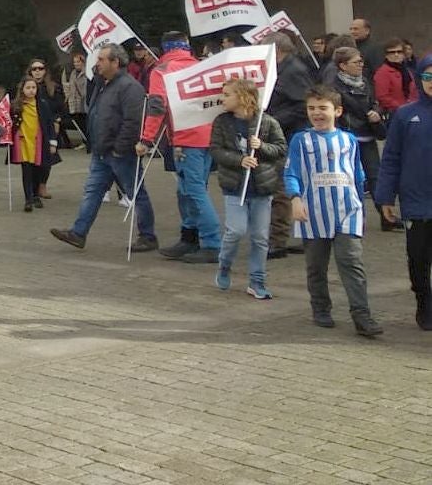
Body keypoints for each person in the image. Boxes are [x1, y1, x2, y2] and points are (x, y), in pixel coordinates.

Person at [283, 86, 382, 337]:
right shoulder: (300, 140)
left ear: (337, 111)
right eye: (312, 108)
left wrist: (361, 205)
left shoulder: (348, 140)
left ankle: (362, 315)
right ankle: (320, 308)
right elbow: (292, 172)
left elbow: (357, 174)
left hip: (347, 209)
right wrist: (294, 198)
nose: (317, 113)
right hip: (313, 212)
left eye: (322, 108)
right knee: (316, 265)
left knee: (352, 263)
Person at [51, 44, 159, 253]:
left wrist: (120, 148)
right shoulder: (104, 84)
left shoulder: (129, 87)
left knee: (136, 193)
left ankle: (148, 235)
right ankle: (78, 233)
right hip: (102, 151)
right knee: (92, 192)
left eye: (101, 59)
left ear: (115, 62)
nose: (96, 63)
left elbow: (132, 121)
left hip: (120, 153)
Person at [140, 32, 221, 264]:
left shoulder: (162, 70)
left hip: (186, 138)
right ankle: (189, 237)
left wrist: (146, 139)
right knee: (187, 190)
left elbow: (157, 107)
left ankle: (212, 242)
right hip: (208, 136)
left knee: (193, 191)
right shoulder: (201, 66)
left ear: (166, 48)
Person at [209, 78, 287, 301]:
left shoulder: (268, 122)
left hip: (262, 188)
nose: (222, 99)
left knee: (261, 237)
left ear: (244, 98)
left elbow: (281, 149)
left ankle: (257, 280)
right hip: (235, 187)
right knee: (235, 230)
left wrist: (262, 147)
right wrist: (239, 160)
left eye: (227, 94)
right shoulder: (222, 122)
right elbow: (215, 150)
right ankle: (224, 265)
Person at [375, 51, 432, 329]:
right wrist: (385, 196)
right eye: (428, 76)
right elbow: (391, 157)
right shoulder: (405, 115)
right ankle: (424, 302)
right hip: (417, 202)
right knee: (419, 258)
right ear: (420, 79)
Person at [265, 33, 315, 258]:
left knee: (282, 188)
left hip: (292, 135)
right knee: (290, 188)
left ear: (276, 50)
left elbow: (303, 106)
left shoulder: (293, 71)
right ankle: (304, 236)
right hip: (289, 133)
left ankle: (278, 241)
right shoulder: (288, 69)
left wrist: (273, 121)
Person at [329, 46, 385, 215]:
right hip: (348, 135)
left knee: (375, 176)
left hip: (368, 135)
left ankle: (385, 214)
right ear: (343, 65)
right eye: (357, 62)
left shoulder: (365, 82)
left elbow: (375, 101)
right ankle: (355, 215)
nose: (361, 64)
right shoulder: (334, 87)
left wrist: (377, 112)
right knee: (351, 178)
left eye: (362, 61)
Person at [11, 77, 58, 212]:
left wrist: (52, 142)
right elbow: (10, 123)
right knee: (26, 170)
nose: (31, 91)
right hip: (23, 141)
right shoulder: (16, 105)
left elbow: (49, 124)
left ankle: (36, 195)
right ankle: (28, 199)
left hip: (38, 141)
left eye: (34, 88)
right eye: (28, 88)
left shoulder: (42, 104)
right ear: (22, 89)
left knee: (39, 169)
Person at [26, 59, 62, 198]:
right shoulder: (26, 86)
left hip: (49, 126)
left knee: (48, 158)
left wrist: (57, 120)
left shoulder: (53, 87)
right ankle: (32, 188)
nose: (37, 71)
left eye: (40, 68)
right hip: (31, 126)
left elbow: (59, 106)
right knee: (31, 159)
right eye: (34, 69)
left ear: (45, 70)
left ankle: (42, 185)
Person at [374, 39, 416, 116]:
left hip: (410, 111)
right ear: (386, 55)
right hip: (394, 113)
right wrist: (402, 108)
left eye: (399, 52)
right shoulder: (383, 72)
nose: (396, 55)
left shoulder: (407, 70)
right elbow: (382, 97)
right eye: (392, 52)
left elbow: (414, 91)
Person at [63, 52, 90, 150]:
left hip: (84, 100)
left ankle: (88, 140)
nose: (76, 64)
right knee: (78, 121)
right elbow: (69, 86)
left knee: (85, 121)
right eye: (74, 62)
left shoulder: (87, 73)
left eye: (78, 62)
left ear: (83, 62)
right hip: (74, 101)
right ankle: (84, 140)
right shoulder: (73, 73)